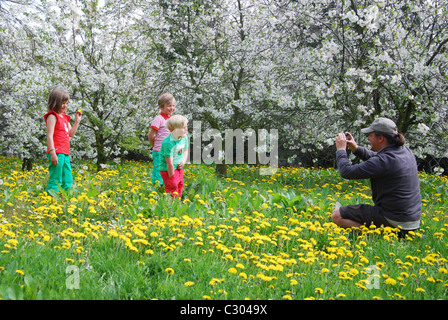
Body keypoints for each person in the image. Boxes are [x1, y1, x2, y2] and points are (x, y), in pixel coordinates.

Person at [332, 117, 422, 234]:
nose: (368, 138)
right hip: (411, 222)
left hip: (395, 220)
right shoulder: (405, 151)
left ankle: (377, 235)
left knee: (337, 215)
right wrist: (356, 149)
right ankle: (392, 233)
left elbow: (346, 171)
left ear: (380, 138)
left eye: (370, 135)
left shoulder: (384, 161)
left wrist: (341, 150)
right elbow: (377, 158)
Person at [44, 88, 82, 193]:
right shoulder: (52, 116)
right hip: (56, 152)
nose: (65, 105)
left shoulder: (65, 118)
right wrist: (52, 153)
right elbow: (50, 135)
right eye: (62, 103)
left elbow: (70, 134)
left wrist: (77, 122)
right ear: (55, 102)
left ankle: (63, 200)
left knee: (67, 179)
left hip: (65, 153)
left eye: (67, 103)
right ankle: (51, 200)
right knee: (56, 178)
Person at [148, 93, 176, 186]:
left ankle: (166, 193)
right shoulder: (158, 119)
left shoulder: (173, 120)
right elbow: (151, 135)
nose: (171, 108)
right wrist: (155, 146)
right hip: (159, 151)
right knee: (158, 173)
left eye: (173, 105)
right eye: (169, 106)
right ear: (161, 107)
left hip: (170, 151)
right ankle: (155, 192)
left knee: (169, 173)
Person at [159, 115, 189, 199]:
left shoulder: (184, 137)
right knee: (173, 186)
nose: (186, 129)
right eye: (183, 127)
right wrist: (171, 178)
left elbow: (186, 150)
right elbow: (169, 163)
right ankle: (170, 204)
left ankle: (177, 201)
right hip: (167, 169)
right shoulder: (168, 143)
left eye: (186, 126)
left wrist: (183, 162)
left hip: (178, 167)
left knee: (180, 184)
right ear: (173, 130)